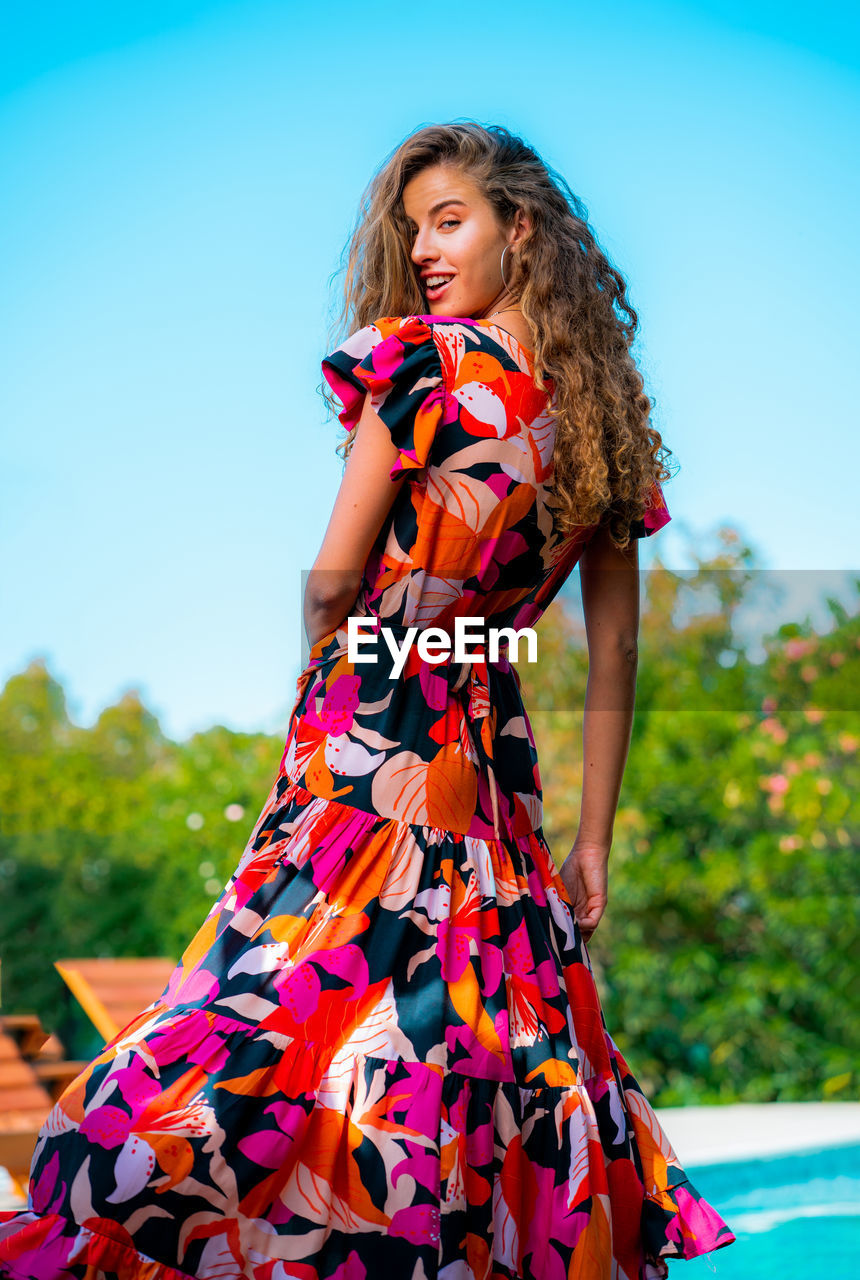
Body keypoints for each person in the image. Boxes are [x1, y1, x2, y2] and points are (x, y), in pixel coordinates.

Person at [0, 121, 736, 1280]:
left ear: (520, 229)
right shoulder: (602, 421)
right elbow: (616, 654)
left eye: (451, 220)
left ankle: (177, 1220)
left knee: (276, 994)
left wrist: (321, 688)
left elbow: (337, 577)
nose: (426, 249)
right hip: (490, 760)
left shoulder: (420, 364)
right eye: (414, 228)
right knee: (478, 1024)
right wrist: (592, 839)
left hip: (374, 720)